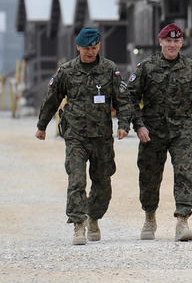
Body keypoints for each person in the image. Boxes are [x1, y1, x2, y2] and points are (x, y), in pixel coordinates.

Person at [122, 23, 192, 242]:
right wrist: (139, 125)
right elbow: (130, 98)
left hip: (181, 129)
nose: (172, 45)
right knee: (149, 176)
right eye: (168, 40)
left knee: (184, 172)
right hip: (151, 132)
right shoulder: (146, 67)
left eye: (176, 41)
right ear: (160, 41)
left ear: (181, 43)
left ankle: (182, 221)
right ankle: (149, 217)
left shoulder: (191, 68)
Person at [35, 27, 127, 245]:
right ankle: (78, 225)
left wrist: (124, 125)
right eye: (86, 48)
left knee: (103, 183)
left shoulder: (109, 69)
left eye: (94, 48)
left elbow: (122, 101)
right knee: (76, 180)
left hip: (102, 137)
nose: (90, 52)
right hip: (76, 135)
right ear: (77, 47)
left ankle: (93, 217)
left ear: (99, 47)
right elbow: (51, 99)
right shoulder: (66, 71)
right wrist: (42, 125)